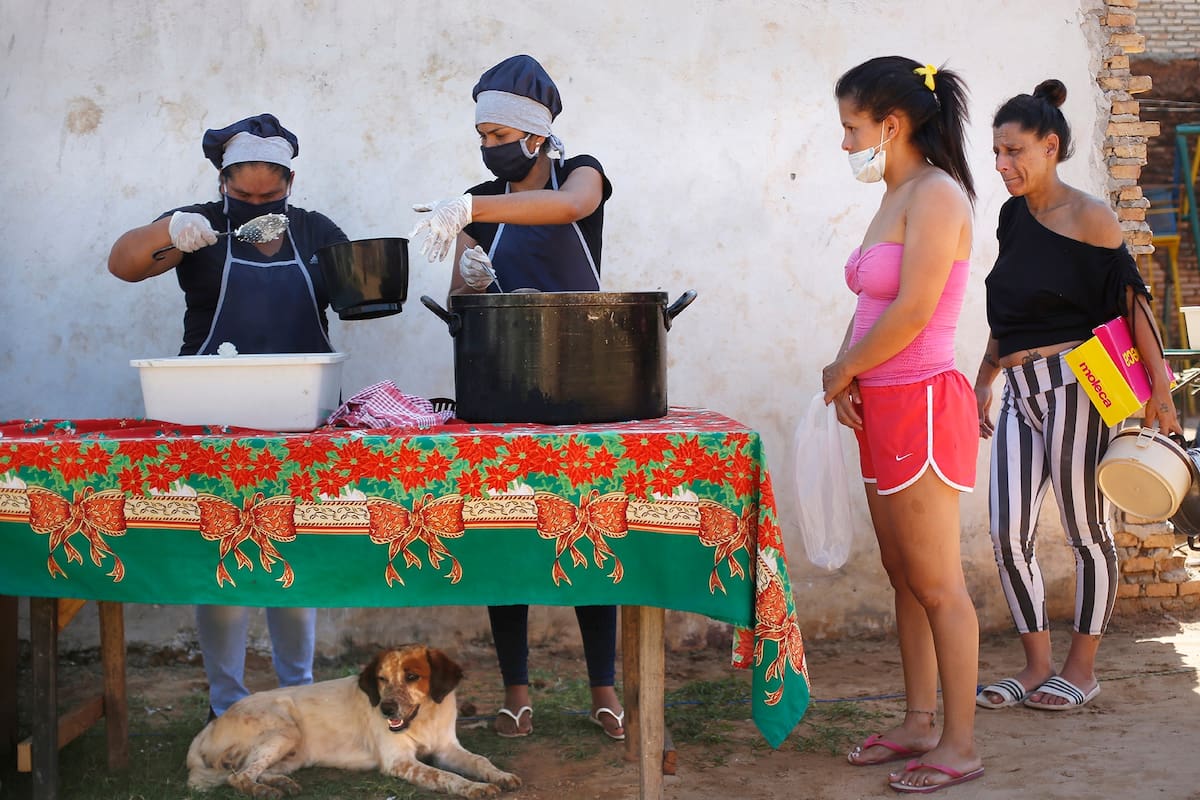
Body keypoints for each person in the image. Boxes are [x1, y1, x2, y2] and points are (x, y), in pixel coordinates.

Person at [409, 54, 622, 740]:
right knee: (508, 541)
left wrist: (472, 209)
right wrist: (468, 272)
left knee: (590, 537)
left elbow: (571, 207)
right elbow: (458, 307)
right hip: (502, 390)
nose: (490, 149)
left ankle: (605, 689)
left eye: (501, 136)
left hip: (584, 385)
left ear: (536, 135)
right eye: (484, 137)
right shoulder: (477, 203)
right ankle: (517, 692)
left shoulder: (579, 172)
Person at [108, 113, 348, 718]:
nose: (255, 204)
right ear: (222, 183)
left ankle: (296, 691)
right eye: (242, 195)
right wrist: (170, 230)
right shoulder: (199, 225)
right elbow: (123, 263)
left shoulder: (317, 232)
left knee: (291, 560)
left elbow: (363, 297)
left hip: (297, 413)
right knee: (224, 559)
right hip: (210, 409)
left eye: (270, 195)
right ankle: (228, 704)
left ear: (291, 183)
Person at [974, 80, 1180, 713]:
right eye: (997, 153)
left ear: (1050, 145)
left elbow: (1131, 302)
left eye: (1014, 152)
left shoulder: (1092, 216)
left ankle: (1082, 669)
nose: (1003, 165)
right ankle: (1036, 667)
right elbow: (1008, 307)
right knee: (1008, 533)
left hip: (1075, 388)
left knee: (1086, 532)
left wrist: (1162, 393)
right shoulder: (1012, 216)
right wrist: (984, 376)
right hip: (1018, 392)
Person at [821, 57, 984, 793]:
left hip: (921, 399)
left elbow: (915, 310)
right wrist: (848, 369)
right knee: (902, 575)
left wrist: (846, 368)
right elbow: (872, 306)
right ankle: (919, 720)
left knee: (939, 583)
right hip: (882, 402)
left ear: (890, 125)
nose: (845, 143)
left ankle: (959, 743)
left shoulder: (938, 194)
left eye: (851, 128)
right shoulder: (896, 193)